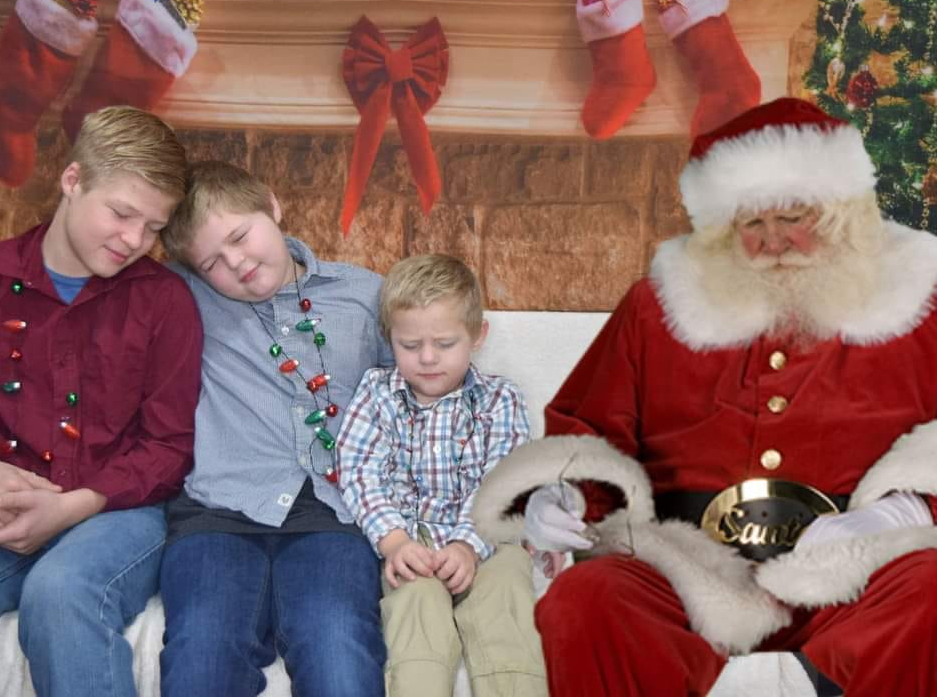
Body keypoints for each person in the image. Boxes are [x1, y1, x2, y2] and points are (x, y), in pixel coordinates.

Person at [473, 98, 937, 697]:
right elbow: (589, 431)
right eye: (751, 225)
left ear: (839, 214)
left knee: (931, 594)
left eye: (793, 217)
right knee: (585, 599)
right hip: (686, 568)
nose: (773, 242)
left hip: (860, 567)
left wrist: (901, 513)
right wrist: (559, 493)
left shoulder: (917, 306)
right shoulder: (658, 307)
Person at [0, 106, 202, 697]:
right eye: (122, 213)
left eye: (154, 227)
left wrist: (75, 506)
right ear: (73, 180)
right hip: (3, 503)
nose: (135, 241)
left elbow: (169, 448)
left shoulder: (166, 301)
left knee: (61, 594)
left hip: (120, 512)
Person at [155, 160, 388, 697]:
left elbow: (423, 388)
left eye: (241, 235)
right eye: (212, 260)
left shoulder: (366, 295)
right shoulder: (180, 296)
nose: (236, 263)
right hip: (218, 516)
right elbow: (85, 274)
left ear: (273, 206)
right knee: (201, 656)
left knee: (339, 648)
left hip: (336, 516)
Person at [336, 254, 547, 697]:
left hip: (489, 539)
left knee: (507, 606)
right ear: (389, 338)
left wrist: (468, 545)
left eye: (445, 343)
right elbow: (358, 472)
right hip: (410, 540)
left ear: (477, 336)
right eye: (410, 346)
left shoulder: (500, 400)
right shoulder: (377, 393)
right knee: (415, 612)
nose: (427, 358)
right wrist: (393, 541)